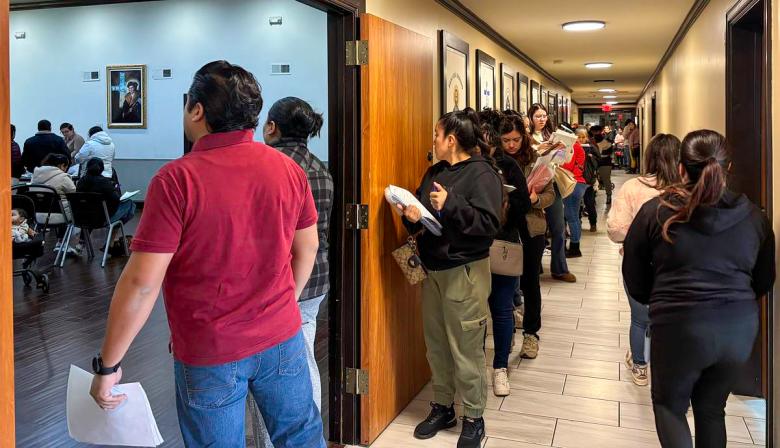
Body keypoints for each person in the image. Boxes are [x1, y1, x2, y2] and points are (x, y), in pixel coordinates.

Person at [88, 60, 325, 448]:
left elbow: (142, 285)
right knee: (300, 437)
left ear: (196, 110)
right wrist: (281, 307)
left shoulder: (176, 180)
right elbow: (308, 246)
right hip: (282, 337)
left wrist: (108, 365)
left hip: (210, 350)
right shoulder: (287, 169)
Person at [623, 130, 775, 447]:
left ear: (680, 169)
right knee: (711, 409)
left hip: (679, 327)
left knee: (670, 407)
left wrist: (662, 300)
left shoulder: (656, 212)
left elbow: (634, 277)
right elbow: (763, 281)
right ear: (727, 167)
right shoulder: (755, 218)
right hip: (737, 331)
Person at [398, 108, 502, 448]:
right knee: (437, 343)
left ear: (451, 140)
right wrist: (412, 216)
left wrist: (450, 204)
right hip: (433, 270)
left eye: (437, 135)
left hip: (466, 271)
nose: (434, 140)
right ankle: (443, 406)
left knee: (466, 346)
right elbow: (425, 218)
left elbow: (488, 225)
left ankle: (474, 415)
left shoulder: (482, 174)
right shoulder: (435, 171)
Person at [253, 97, 334, 446]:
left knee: (264, 371)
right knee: (303, 358)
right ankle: (308, 434)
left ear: (272, 127)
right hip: (315, 279)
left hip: (272, 281)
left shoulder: (265, 166)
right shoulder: (320, 168)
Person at [607, 133, 681, 386]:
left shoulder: (633, 188)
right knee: (672, 318)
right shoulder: (687, 190)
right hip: (677, 266)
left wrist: (637, 237)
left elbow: (615, 229)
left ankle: (640, 365)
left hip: (638, 264)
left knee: (640, 318)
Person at [479, 109, 531, 396]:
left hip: (504, 245)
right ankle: (476, 367)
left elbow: (523, 205)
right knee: (475, 312)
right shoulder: (464, 165)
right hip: (473, 248)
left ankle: (500, 367)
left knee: (500, 309)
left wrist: (505, 202)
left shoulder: (507, 165)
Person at [501, 112, 555, 360]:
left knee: (530, 281)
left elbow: (551, 196)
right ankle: (508, 326)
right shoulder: (496, 161)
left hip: (531, 226)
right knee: (504, 281)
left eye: (515, 139)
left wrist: (535, 198)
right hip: (504, 227)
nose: (511, 145)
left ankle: (531, 335)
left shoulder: (537, 159)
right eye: (505, 140)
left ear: (523, 137)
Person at [528, 103, 575, 282]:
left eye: (544, 116)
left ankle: (560, 268)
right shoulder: (527, 137)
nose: (542, 119)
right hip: (532, 184)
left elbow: (563, 161)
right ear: (531, 118)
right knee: (535, 227)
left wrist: (566, 148)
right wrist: (542, 149)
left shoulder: (552, 135)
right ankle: (534, 265)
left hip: (551, 183)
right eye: (538, 116)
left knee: (558, 227)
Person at [561, 128, 588, 258]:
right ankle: (573, 246)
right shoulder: (579, 149)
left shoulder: (571, 148)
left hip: (572, 184)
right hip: (578, 184)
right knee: (573, 217)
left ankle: (575, 248)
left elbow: (567, 168)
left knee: (571, 217)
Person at [31, 153, 76, 221]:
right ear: (62, 165)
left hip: (38, 215)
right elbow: (73, 194)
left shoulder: (34, 176)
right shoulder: (63, 177)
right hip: (61, 215)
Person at [578, 128, 599, 232]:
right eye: (579, 137)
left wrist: (591, 157)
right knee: (577, 204)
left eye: (583, 137)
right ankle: (578, 223)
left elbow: (598, 161)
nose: (581, 139)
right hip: (576, 180)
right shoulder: (573, 148)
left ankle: (593, 223)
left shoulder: (591, 148)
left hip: (588, 180)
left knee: (589, 203)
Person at [590, 125, 614, 205]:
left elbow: (609, 152)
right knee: (593, 181)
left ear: (600, 131)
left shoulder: (606, 141)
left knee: (606, 180)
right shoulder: (591, 141)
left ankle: (609, 196)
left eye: (596, 131)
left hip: (605, 162)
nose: (595, 133)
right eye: (594, 132)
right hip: (595, 163)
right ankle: (592, 197)